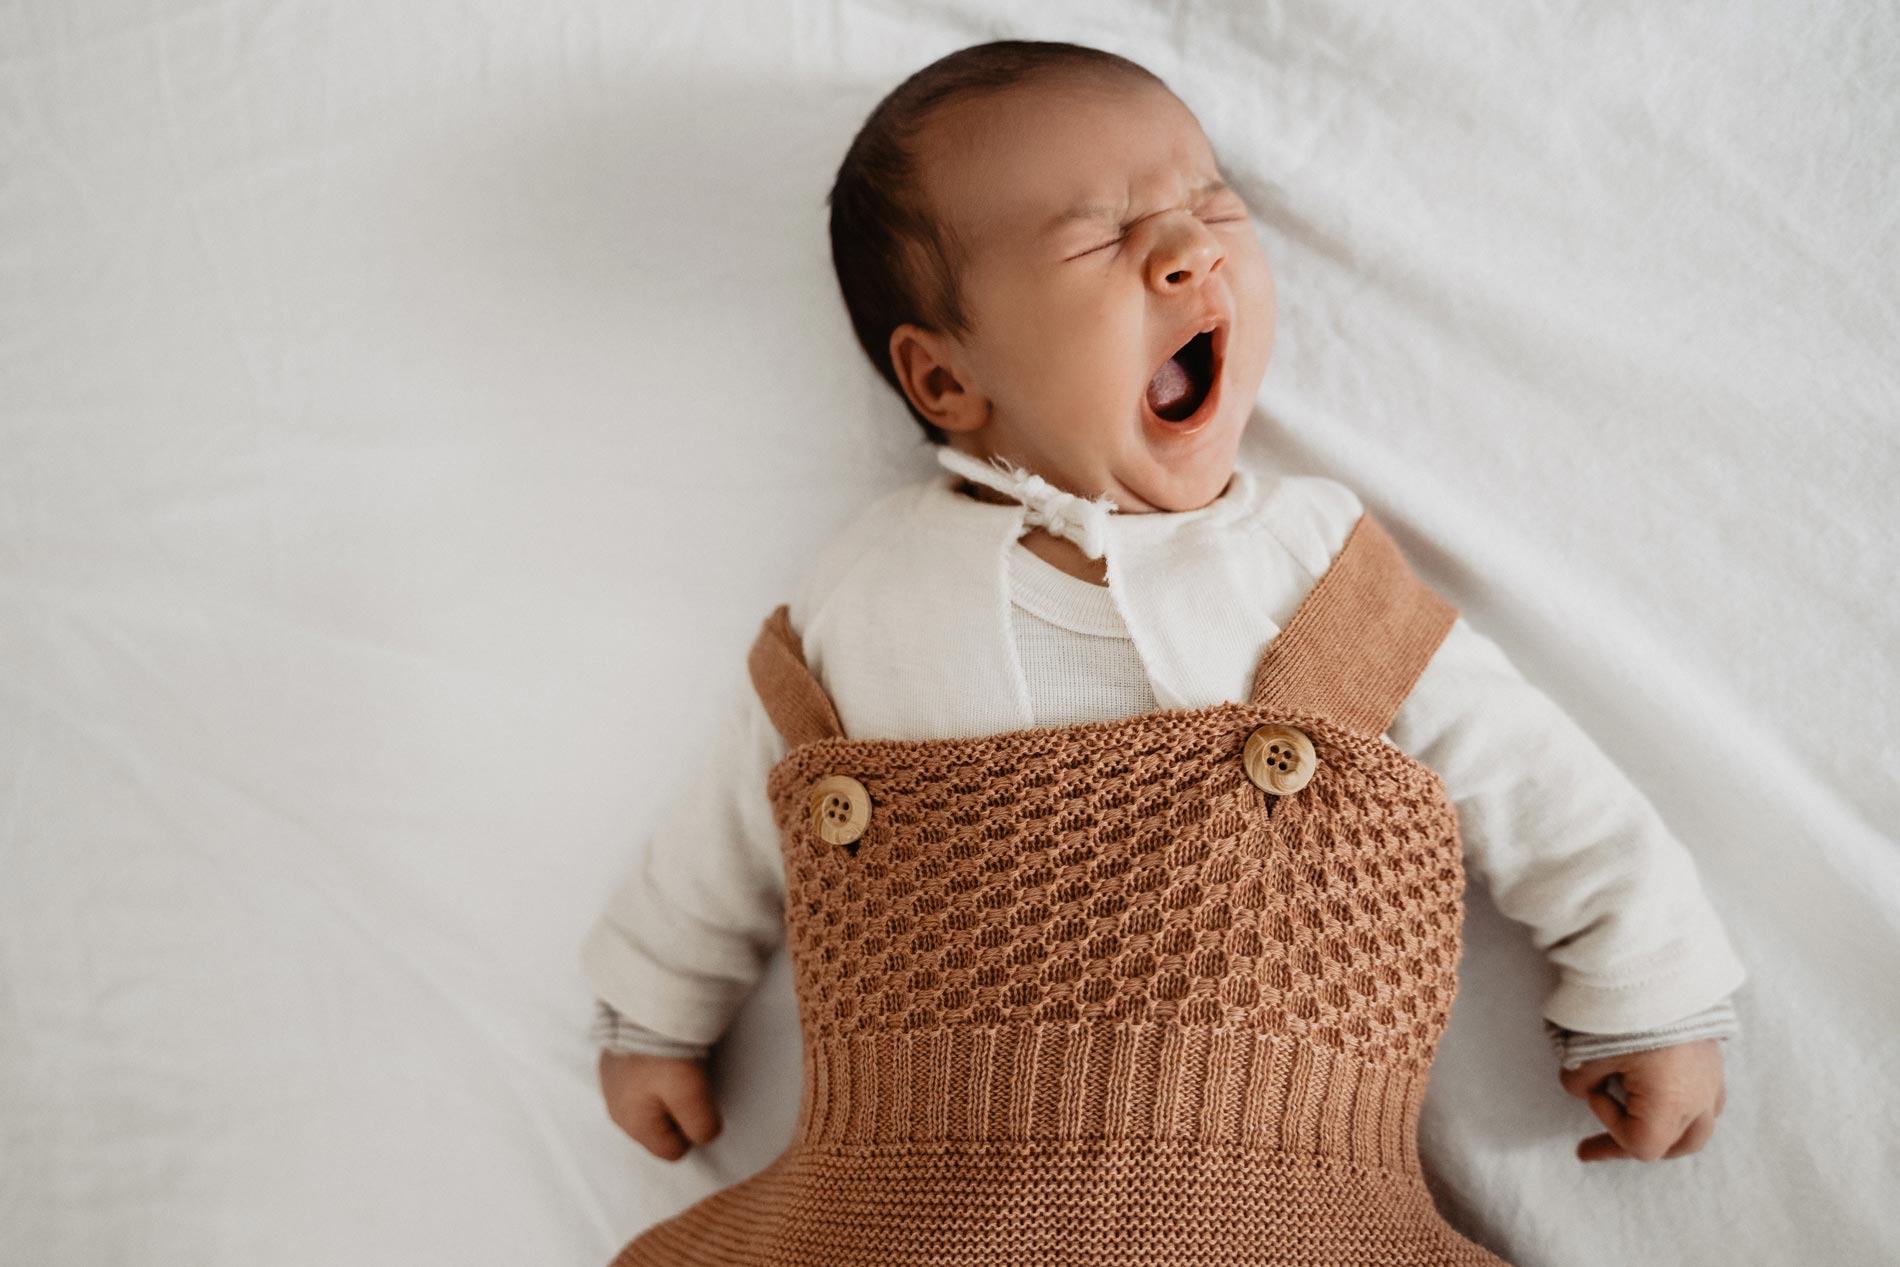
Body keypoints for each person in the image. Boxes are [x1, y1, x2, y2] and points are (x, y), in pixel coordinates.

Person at [582, 39, 1745, 1264]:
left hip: (1288, 1208)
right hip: (905, 1205)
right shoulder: (863, 590)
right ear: (944, 374)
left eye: (1209, 206)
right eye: (1095, 238)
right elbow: (721, 827)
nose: (1184, 248)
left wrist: (1645, 995)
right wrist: (654, 1011)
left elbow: (1537, 782)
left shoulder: (1308, 568)